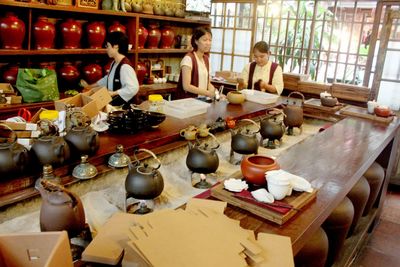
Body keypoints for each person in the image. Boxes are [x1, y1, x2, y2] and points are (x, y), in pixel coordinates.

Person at [84, 31, 139, 106]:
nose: (106, 49)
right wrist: (90, 86)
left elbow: (133, 88)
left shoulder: (125, 67)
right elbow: (108, 78)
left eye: (108, 46)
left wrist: (113, 93)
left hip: (124, 108)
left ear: (116, 46)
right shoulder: (114, 63)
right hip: (115, 105)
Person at [177, 27, 217, 99]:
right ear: (196, 41)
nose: (208, 43)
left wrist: (216, 93)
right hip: (187, 102)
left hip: (201, 101)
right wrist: (207, 93)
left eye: (210, 40)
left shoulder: (206, 59)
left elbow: (208, 83)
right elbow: (186, 86)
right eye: (204, 40)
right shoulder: (188, 59)